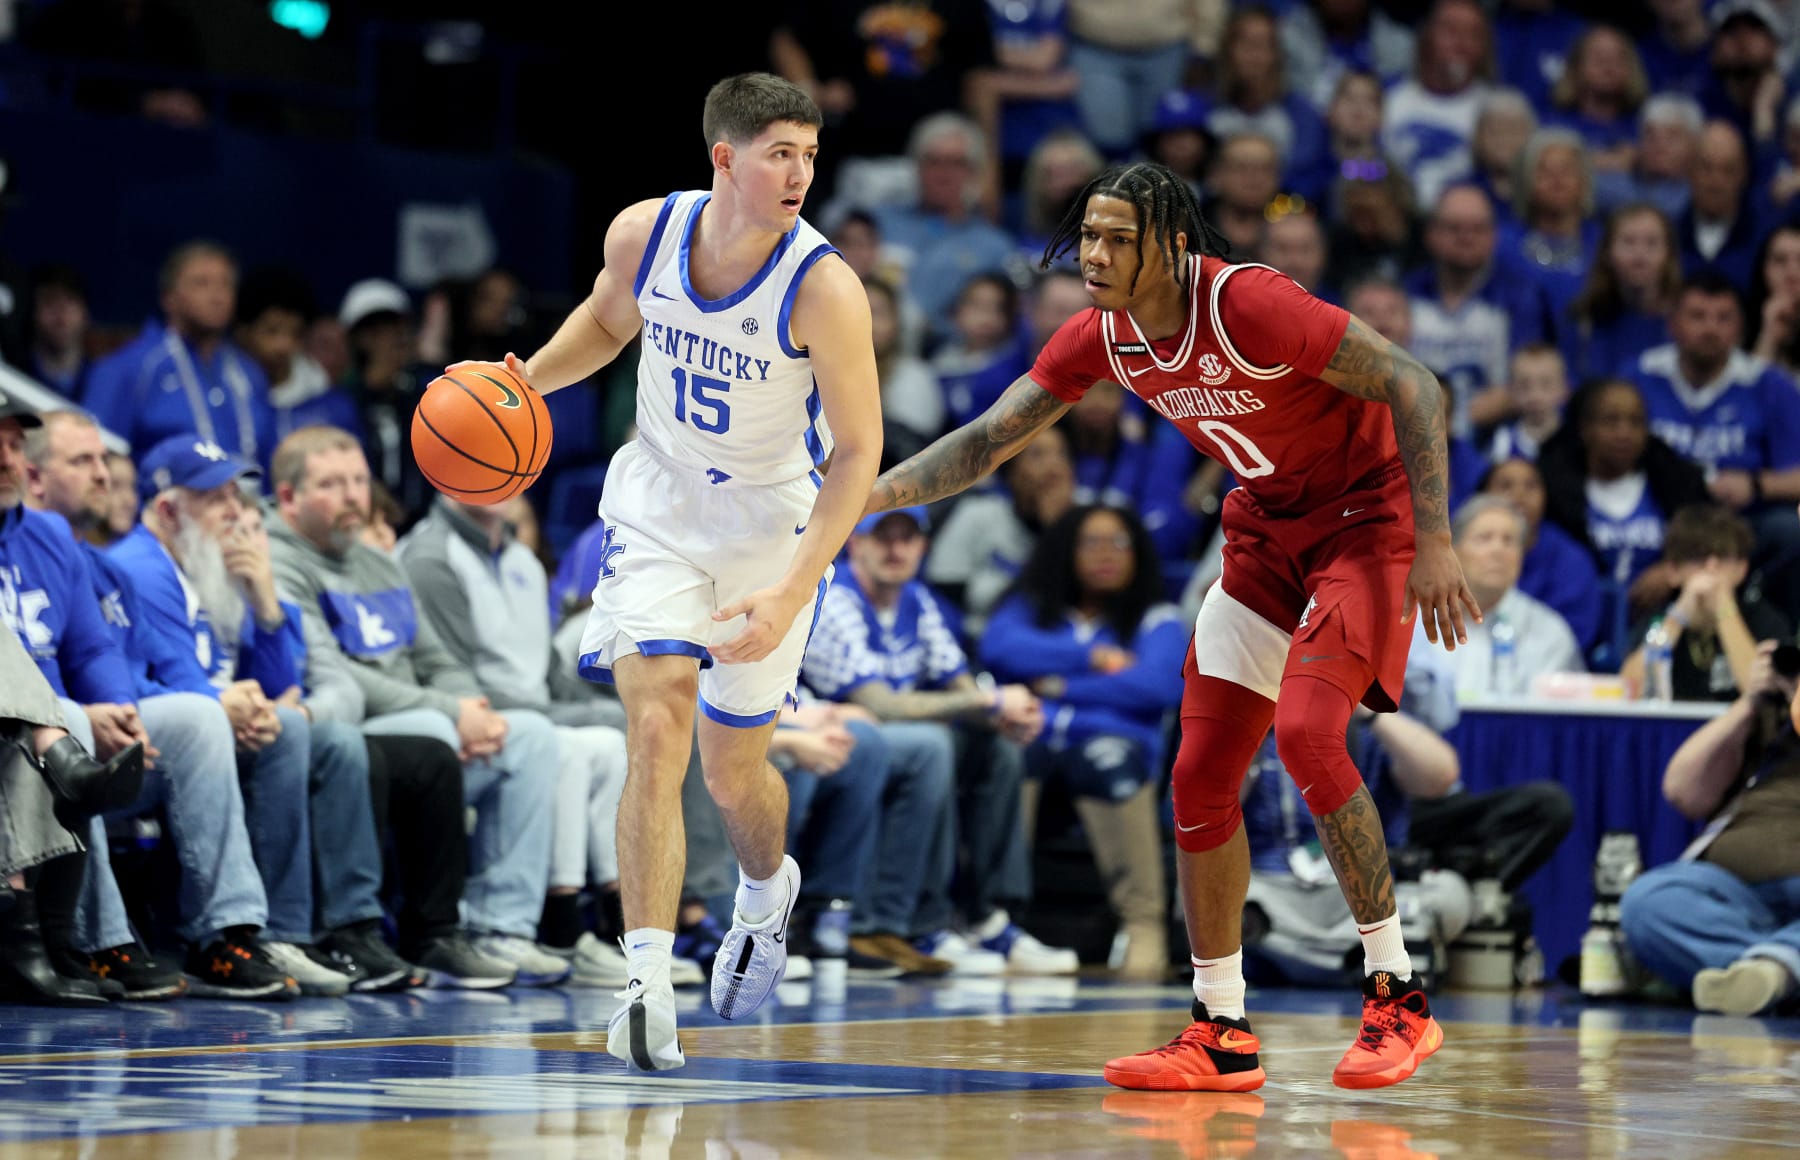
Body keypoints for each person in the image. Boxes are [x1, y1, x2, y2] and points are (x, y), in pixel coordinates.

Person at [862, 160, 1479, 1092]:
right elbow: (989, 439)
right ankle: (1220, 1028)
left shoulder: (1252, 306)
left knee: (1311, 733)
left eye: (1118, 238)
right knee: (1196, 772)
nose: (1095, 255)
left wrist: (1435, 539)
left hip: (1367, 522)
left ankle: (1398, 994)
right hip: (1266, 532)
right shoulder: (1105, 338)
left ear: (1175, 246)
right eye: (1089, 237)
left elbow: (1415, 384)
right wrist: (866, 499)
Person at [450, 73, 883, 1070]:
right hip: (657, 503)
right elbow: (609, 322)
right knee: (654, 722)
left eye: (811, 156)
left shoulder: (824, 286)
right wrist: (524, 385)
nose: (800, 174)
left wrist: (790, 588)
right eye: (780, 153)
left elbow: (857, 454)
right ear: (724, 158)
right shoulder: (644, 234)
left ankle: (767, 890)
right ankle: (645, 981)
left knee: (733, 777)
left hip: (770, 530)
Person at [1620, 638, 1800, 1017]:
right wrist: (1749, 703)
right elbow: (1682, 791)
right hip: (1740, 895)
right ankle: (1770, 972)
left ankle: (1774, 971)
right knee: (1647, 902)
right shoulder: (1769, 714)